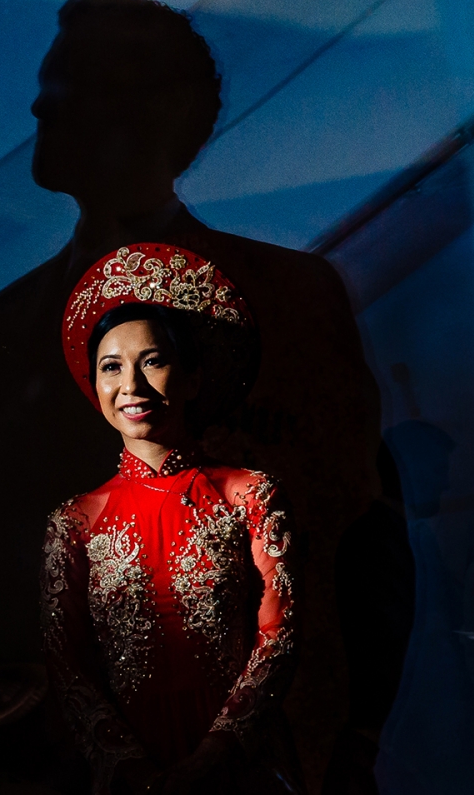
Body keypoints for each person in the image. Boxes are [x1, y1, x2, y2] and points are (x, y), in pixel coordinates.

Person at [0, 0, 383, 794]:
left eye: (69, 80)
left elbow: (363, 536)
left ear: (157, 109)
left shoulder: (291, 297)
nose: (39, 101)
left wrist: (353, 740)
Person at [43, 243, 299, 795]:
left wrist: (213, 756)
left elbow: (280, 634)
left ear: (193, 378)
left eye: (152, 360)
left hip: (240, 760)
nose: (130, 385)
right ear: (95, 386)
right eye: (111, 367)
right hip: (131, 774)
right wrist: (133, 769)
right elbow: (68, 668)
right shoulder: (74, 523)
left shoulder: (249, 494)